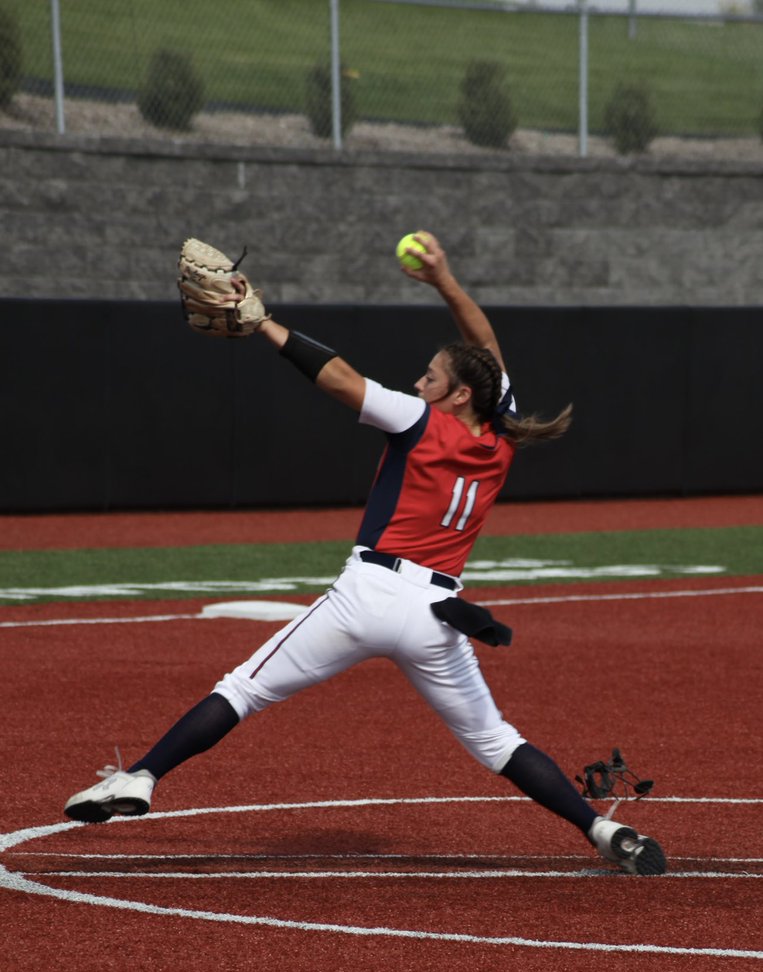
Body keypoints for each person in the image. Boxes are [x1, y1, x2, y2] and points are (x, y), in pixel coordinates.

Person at [64, 232, 666, 876]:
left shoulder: (418, 419)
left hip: (368, 595)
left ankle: (144, 777)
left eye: (431, 376)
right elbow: (487, 352)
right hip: (437, 613)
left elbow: (341, 379)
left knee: (242, 689)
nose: (419, 381)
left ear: (457, 394)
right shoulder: (500, 436)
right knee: (497, 742)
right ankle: (603, 829)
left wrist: (265, 323)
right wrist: (444, 281)